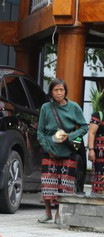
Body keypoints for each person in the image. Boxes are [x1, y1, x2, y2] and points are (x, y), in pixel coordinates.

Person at [37, 79, 88, 223]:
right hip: (50, 151)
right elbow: (40, 131)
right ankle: (48, 213)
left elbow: (84, 127)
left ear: (65, 91)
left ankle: (59, 213)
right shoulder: (45, 107)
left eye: (61, 90)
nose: (59, 93)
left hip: (68, 150)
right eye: (56, 90)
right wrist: (48, 148)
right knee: (48, 182)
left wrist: (70, 136)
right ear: (51, 92)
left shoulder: (74, 107)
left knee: (64, 184)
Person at [88, 95, 104, 195]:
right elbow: (91, 133)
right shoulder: (98, 115)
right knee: (99, 180)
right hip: (100, 154)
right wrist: (91, 150)